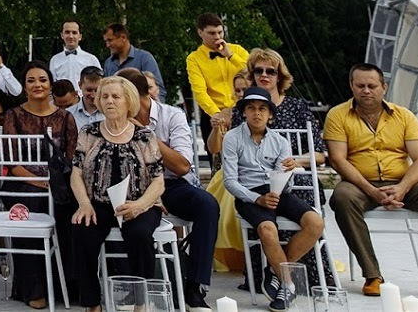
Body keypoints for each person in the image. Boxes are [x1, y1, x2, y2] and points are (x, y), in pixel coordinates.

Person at [324, 62, 418, 297]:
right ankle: (373, 275)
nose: (366, 91)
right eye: (360, 86)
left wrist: (402, 188)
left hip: (403, 182)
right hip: (359, 184)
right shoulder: (337, 115)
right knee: (342, 197)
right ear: (351, 87)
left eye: (372, 86)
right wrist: (371, 191)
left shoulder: (404, 116)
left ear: (384, 87)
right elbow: (338, 160)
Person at [119, 68, 216, 312]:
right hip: (132, 188)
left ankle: (195, 286)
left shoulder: (172, 116)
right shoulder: (115, 119)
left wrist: (146, 135)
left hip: (171, 183)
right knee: (131, 220)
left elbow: (182, 166)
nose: (113, 102)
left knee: (207, 204)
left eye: (119, 96)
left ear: (133, 96)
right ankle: (136, 286)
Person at [224, 86, 326, 311]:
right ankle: (288, 285)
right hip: (249, 194)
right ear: (244, 112)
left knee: (316, 223)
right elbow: (230, 181)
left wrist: (287, 171)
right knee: (267, 229)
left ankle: (275, 268)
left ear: (270, 114)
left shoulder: (279, 141)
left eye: (262, 108)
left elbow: (285, 182)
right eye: (251, 108)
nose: (256, 113)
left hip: (277, 191)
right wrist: (257, 199)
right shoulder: (232, 138)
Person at [69, 75, 164, 312]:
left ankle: (141, 303)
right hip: (98, 203)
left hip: (139, 204)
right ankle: (92, 304)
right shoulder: (89, 132)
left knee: (139, 235)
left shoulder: (144, 135)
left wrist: (140, 205)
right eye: (105, 96)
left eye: (115, 96)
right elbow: (76, 173)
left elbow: (158, 181)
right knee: (82, 232)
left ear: (128, 101)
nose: (109, 101)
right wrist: (84, 204)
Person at [2, 60, 79, 310]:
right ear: (24, 86)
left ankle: (67, 285)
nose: (38, 85)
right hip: (22, 181)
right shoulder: (13, 116)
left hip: (58, 182)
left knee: (72, 208)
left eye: (43, 80)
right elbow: (12, 163)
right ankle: (32, 288)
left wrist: (55, 182)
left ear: (51, 84)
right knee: (32, 204)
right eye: (31, 80)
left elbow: (71, 159)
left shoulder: (65, 117)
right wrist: (38, 181)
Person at [207, 71, 254, 275]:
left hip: (253, 172)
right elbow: (213, 149)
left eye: (245, 89)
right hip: (228, 171)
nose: (241, 94)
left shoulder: (261, 114)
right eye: (238, 90)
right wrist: (216, 129)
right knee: (227, 191)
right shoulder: (228, 114)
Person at [185, 13, 249, 164]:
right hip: (214, 113)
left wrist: (230, 56)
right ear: (200, 32)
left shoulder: (237, 50)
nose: (217, 37)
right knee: (217, 161)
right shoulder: (194, 59)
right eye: (212, 33)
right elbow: (200, 91)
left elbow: (252, 74)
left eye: (220, 32)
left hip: (244, 110)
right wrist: (217, 115)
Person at [51, 19, 101, 87]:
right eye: (67, 32)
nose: (71, 36)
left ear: (80, 36)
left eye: (74, 33)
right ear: (62, 35)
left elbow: (99, 83)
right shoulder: (55, 60)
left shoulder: (91, 59)